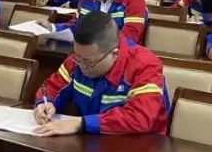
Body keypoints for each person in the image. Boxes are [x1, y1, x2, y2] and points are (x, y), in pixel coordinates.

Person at [33, 11, 169, 135]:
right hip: (91, 141)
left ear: (114, 54)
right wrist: (45, 103)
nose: (82, 66)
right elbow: (53, 86)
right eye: (77, 58)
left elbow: (140, 118)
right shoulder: (80, 57)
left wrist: (82, 123)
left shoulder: (145, 65)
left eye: (89, 62)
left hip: (141, 145)